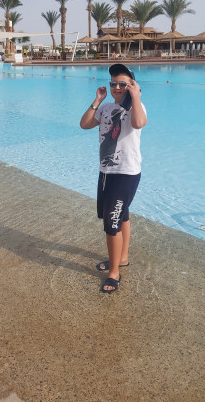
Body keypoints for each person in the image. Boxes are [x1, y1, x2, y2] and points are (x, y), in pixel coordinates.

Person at [80, 64, 147, 293]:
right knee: (121, 214)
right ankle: (122, 258)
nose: (117, 87)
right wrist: (97, 100)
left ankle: (114, 272)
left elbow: (138, 123)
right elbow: (84, 124)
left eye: (122, 84)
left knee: (111, 223)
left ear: (132, 86)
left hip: (126, 173)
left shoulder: (137, 107)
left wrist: (135, 97)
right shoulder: (106, 108)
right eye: (113, 84)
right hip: (107, 172)